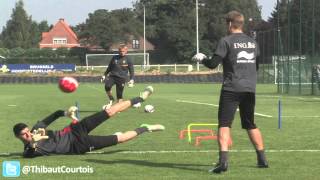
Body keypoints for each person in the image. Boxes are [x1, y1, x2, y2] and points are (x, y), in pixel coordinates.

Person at [193, 11, 268, 173]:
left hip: (231, 88)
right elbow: (256, 66)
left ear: (229, 24)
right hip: (250, 89)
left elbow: (213, 64)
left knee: (224, 124)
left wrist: (202, 58)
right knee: (250, 123)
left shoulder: (226, 41)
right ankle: (262, 159)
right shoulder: (253, 43)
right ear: (241, 24)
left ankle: (223, 162)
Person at [13, 86, 164, 158]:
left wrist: (67, 113)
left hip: (74, 130)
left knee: (110, 111)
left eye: (27, 131)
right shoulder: (28, 151)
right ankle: (145, 128)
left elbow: (56, 114)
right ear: (18, 137)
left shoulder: (36, 128)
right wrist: (33, 142)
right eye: (24, 134)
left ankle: (141, 98)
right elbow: (31, 151)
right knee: (120, 139)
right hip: (78, 146)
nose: (28, 133)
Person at [101, 45, 134, 109]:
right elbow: (109, 67)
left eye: (123, 51)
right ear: (118, 51)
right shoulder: (114, 58)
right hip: (112, 76)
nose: (122, 52)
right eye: (120, 51)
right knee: (107, 86)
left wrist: (131, 79)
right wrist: (104, 75)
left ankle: (118, 108)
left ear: (126, 51)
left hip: (121, 78)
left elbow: (131, 70)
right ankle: (111, 99)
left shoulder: (128, 59)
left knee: (119, 95)